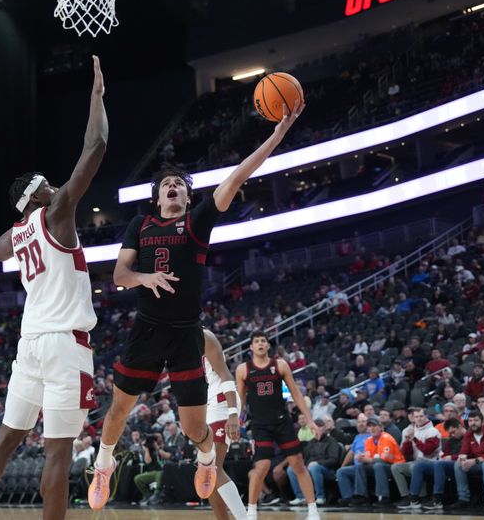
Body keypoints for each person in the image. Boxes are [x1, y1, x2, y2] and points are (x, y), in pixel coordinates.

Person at [90, 97, 306, 512]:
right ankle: (103, 464)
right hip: (147, 328)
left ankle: (206, 458)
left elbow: (239, 175)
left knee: (194, 428)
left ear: (188, 199)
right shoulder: (141, 224)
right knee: (119, 408)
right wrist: (144, 277)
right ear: (157, 198)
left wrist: (277, 134)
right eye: (166, 184)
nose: (173, 186)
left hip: (186, 332)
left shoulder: (197, 222)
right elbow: (119, 277)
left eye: (180, 185)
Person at [0, 56, 107, 520]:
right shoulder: (58, 212)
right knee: (57, 456)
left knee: (7, 437)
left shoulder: (16, 235)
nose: (55, 185)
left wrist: (20, 223)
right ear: (40, 195)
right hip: (65, 345)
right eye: (47, 184)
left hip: (30, 346)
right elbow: (96, 145)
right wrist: (97, 99)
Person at [236, 331, 321, 520]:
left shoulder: (280, 365)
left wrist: (310, 420)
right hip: (260, 425)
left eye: (263, 341)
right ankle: (251, 511)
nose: (260, 344)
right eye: (256, 341)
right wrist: (235, 422)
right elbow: (240, 401)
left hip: (282, 422)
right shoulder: (243, 369)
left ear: (268, 346)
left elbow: (296, 394)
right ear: (251, 347)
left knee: (297, 464)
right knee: (262, 466)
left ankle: (313, 511)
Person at [202, 329, 247, 520]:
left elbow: (227, 377)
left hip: (222, 402)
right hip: (211, 404)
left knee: (212, 468)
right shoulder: (186, 343)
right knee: (205, 474)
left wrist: (233, 415)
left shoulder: (204, 336)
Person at [452, 410, 484, 510]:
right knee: (458, 464)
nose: (473, 423)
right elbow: (464, 452)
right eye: (470, 421)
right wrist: (463, 459)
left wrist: (475, 460)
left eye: (476, 420)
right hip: (477, 463)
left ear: (482, 422)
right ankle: (463, 499)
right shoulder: (468, 434)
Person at [351, 416, 405, 506]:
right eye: (369, 426)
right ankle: (361, 496)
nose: (372, 428)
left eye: (374, 426)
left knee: (378, 465)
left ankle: (384, 497)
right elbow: (368, 458)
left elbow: (384, 458)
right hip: (381, 465)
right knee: (360, 466)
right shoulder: (368, 440)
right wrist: (361, 458)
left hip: (395, 466)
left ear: (381, 427)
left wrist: (366, 459)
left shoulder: (386, 438)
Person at [394, 407, 441, 509]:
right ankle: (405, 496)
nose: (419, 419)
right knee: (396, 467)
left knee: (416, 466)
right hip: (417, 462)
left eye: (421, 416)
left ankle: (415, 497)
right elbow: (407, 454)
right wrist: (407, 442)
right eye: (416, 417)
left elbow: (428, 451)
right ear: (413, 418)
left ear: (426, 417)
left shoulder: (433, 431)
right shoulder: (412, 431)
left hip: (432, 463)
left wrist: (414, 439)